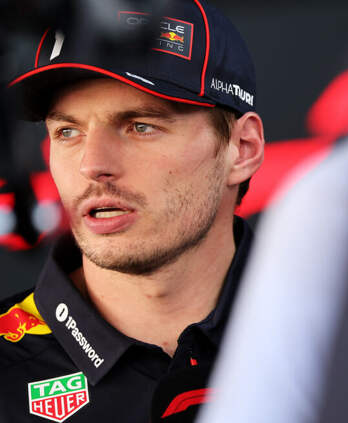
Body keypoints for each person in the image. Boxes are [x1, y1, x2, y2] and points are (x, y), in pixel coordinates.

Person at [0, 2, 264, 422]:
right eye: (67, 131)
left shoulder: (344, 338)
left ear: (242, 149)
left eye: (141, 126)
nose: (92, 165)